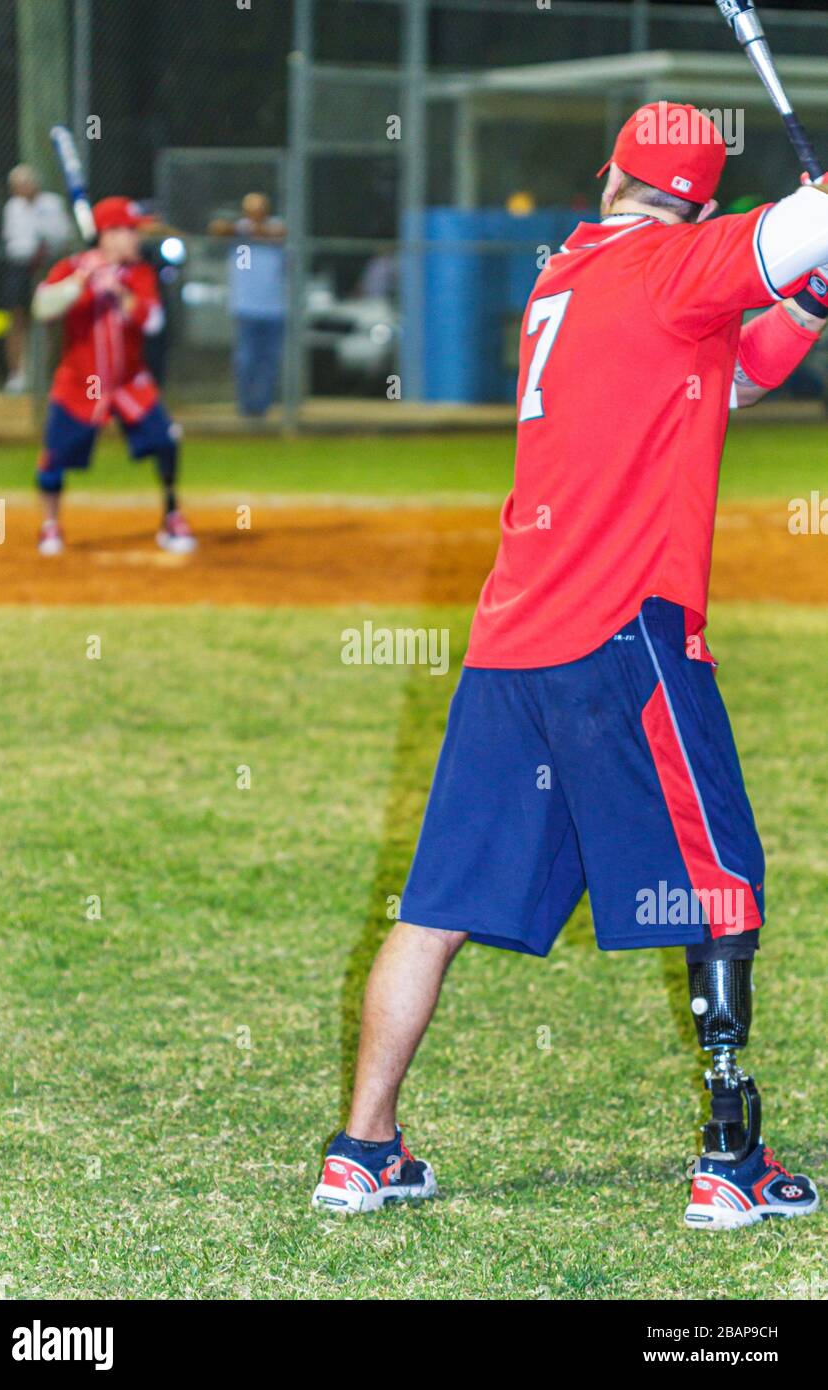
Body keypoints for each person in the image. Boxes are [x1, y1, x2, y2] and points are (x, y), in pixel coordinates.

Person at [313, 103, 828, 1227]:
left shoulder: (566, 280)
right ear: (696, 201)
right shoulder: (679, 265)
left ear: (608, 176)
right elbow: (779, 238)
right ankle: (727, 1158)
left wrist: (808, 292)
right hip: (625, 629)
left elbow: (729, 375)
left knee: (432, 904)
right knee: (721, 882)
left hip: (513, 643)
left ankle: (361, 1148)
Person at [31, 196, 196, 557]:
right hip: (80, 383)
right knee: (53, 460)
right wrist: (81, 280)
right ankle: (50, 525)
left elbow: (153, 322)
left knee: (166, 442)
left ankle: (171, 515)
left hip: (128, 382)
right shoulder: (71, 268)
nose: (136, 239)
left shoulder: (139, 275)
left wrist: (119, 293)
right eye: (129, 232)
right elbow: (42, 308)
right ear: (107, 234)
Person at [209, 193, 286, 417]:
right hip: (246, 306)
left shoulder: (276, 227)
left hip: (274, 307)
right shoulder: (238, 229)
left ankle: (262, 406)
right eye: (251, 209)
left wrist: (255, 232)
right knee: (246, 359)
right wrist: (243, 230)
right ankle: (246, 406)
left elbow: (279, 234)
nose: (256, 213)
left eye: (259, 208)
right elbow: (217, 228)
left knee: (269, 360)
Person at [0, 164, 72, 392]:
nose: (20, 190)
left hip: (47, 266)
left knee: (49, 320)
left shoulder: (52, 204)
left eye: (23, 184)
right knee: (17, 319)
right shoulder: (12, 207)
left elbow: (62, 236)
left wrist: (41, 235)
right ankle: (16, 375)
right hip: (20, 267)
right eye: (15, 186)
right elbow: (13, 241)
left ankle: (47, 374)